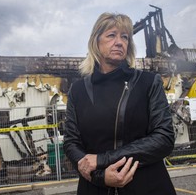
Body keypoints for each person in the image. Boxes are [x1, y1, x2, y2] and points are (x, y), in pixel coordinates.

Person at [63, 12, 176, 195]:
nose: (119, 42)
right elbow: (71, 142)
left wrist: (102, 160)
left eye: (125, 37)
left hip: (148, 186)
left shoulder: (148, 82)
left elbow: (164, 138)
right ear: (96, 41)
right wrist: (100, 177)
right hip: (94, 188)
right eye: (111, 35)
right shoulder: (78, 90)